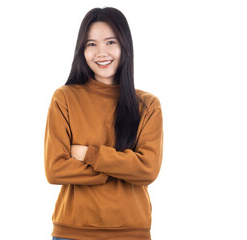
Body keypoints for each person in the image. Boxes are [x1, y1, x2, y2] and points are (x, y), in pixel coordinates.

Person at [44, 7, 163, 240]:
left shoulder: (148, 105)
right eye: (91, 44)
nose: (101, 52)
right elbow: (55, 169)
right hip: (72, 232)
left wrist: (89, 154)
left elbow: (148, 169)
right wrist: (121, 168)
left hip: (131, 232)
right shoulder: (64, 98)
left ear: (124, 46)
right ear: (82, 50)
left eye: (110, 42)